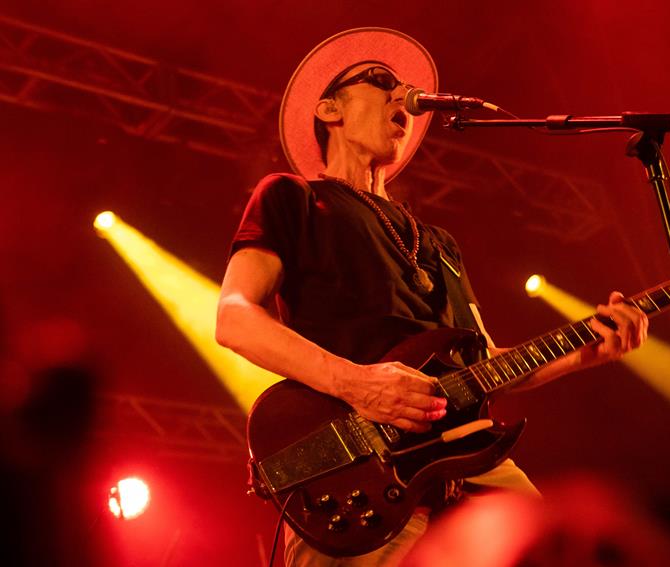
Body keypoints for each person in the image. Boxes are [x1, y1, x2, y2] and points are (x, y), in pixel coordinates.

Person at [215, 28, 648, 567]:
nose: (403, 99)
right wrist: (359, 384)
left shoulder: (438, 243)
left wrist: (586, 353)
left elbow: (484, 364)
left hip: (467, 457)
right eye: (381, 83)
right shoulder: (292, 196)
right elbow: (233, 318)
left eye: (406, 91)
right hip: (358, 464)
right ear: (330, 109)